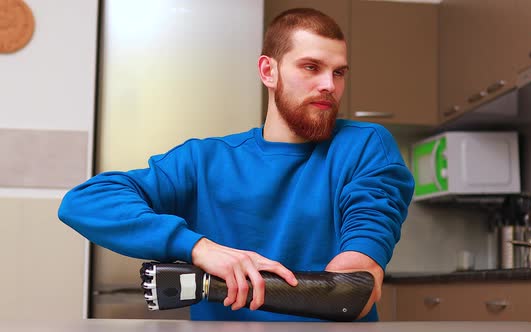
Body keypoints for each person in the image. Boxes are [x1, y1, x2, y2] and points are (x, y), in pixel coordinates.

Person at [58, 8, 414, 322]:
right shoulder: (204, 160)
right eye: (311, 67)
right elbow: (84, 201)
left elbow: (353, 291)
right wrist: (200, 249)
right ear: (268, 70)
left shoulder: (365, 145)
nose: (328, 86)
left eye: (339, 73)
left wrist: (208, 286)